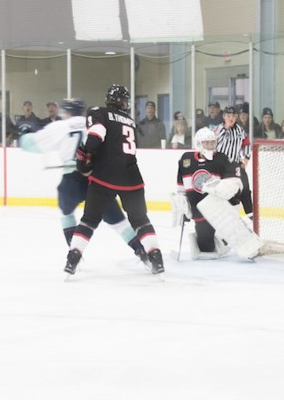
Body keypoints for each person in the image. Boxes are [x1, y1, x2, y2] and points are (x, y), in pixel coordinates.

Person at [19, 98, 149, 267]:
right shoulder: (94, 122)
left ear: (65, 112)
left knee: (66, 214)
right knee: (118, 222)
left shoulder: (60, 126)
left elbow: (30, 144)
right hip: (96, 178)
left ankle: (74, 258)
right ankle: (142, 252)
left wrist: (24, 133)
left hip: (71, 179)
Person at [65, 84, 164, 276]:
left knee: (89, 220)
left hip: (105, 177)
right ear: (123, 102)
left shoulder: (98, 112)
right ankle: (156, 258)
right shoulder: (130, 121)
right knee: (141, 221)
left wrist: (85, 155)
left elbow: (97, 135)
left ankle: (73, 259)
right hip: (132, 178)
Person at [171, 127, 262, 260]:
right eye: (206, 143)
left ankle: (243, 244)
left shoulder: (221, 158)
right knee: (206, 248)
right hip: (199, 211)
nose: (210, 146)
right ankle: (217, 240)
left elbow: (235, 180)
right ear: (198, 144)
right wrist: (183, 207)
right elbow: (181, 189)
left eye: (212, 142)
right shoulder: (186, 160)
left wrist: (226, 187)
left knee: (228, 225)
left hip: (220, 208)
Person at [213, 105, 253, 218]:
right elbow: (210, 145)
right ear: (224, 116)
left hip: (235, 165)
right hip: (220, 166)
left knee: (245, 189)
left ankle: (251, 215)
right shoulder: (217, 130)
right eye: (228, 115)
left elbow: (247, 145)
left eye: (233, 116)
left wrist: (245, 159)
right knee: (223, 192)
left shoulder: (240, 130)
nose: (231, 118)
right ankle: (223, 215)